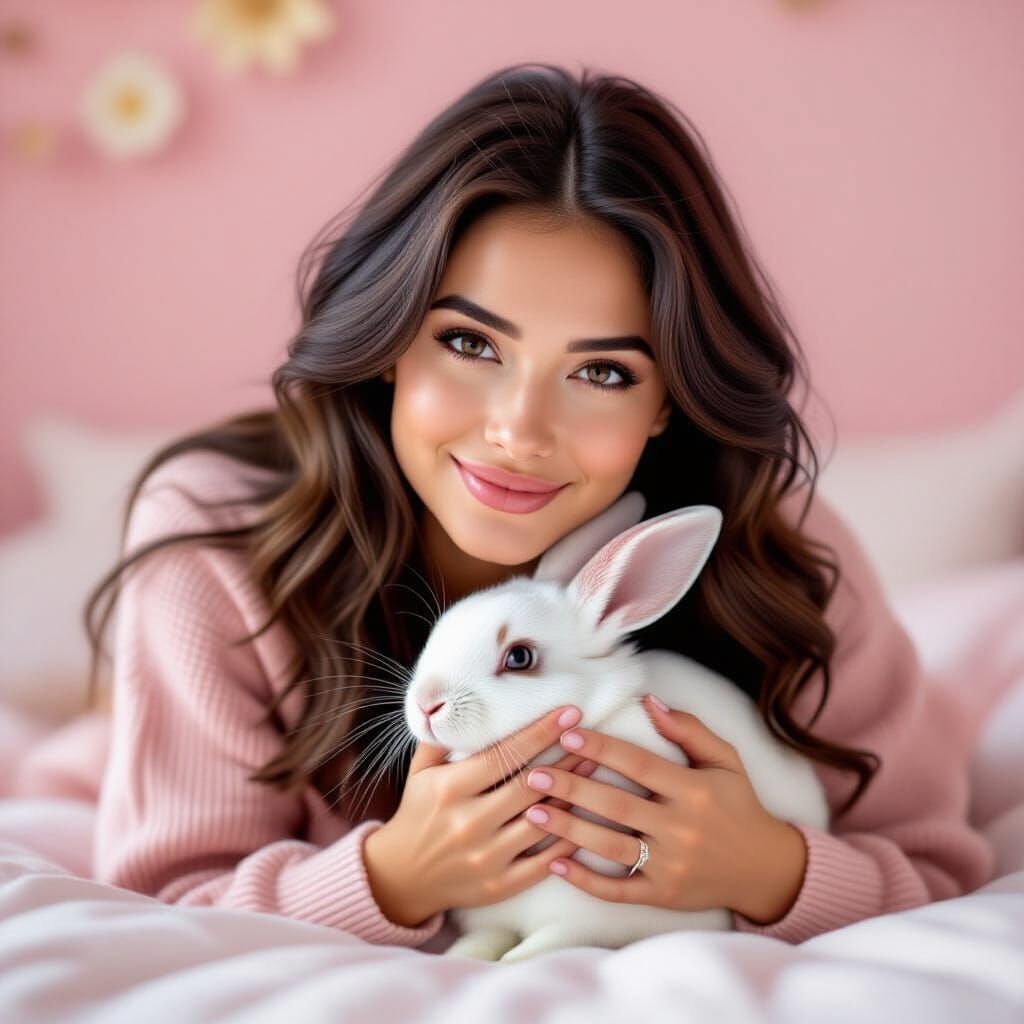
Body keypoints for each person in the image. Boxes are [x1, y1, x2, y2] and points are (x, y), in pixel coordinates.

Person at [80, 63, 993, 952]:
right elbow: (166, 905)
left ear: (668, 397)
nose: (521, 431)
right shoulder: (220, 541)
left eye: (601, 372)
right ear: (392, 341)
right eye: (470, 343)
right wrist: (396, 876)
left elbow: (938, 863)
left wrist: (768, 871)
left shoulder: (772, 545)